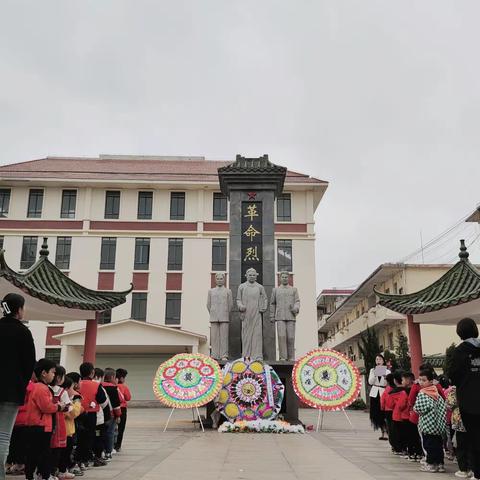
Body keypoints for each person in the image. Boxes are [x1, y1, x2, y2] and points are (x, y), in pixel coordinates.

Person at [0, 293, 35, 480]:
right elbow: (29, 364)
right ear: (19, 310)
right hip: (11, 392)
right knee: (4, 436)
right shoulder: (23, 332)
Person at [449, 318, 480, 480]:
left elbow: (453, 376)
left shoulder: (459, 351)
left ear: (459, 332)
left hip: (469, 402)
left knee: (474, 438)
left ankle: (477, 473)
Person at [25, 358, 66, 480]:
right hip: (40, 426)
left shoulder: (41, 387)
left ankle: (37, 474)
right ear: (44, 373)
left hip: (40, 425)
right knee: (41, 453)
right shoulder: (41, 388)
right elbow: (46, 407)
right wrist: (59, 406)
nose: (54, 375)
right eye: (52, 372)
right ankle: (42, 475)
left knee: (38, 453)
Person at [414, 369, 447, 473]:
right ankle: (440, 464)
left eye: (424, 380)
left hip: (427, 425)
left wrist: (415, 408)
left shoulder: (423, 393)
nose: (421, 382)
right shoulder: (435, 392)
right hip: (438, 425)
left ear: (431, 381)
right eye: (420, 380)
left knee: (429, 446)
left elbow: (419, 408)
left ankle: (431, 464)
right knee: (438, 445)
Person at [77, 362, 107, 469]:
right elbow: (102, 400)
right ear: (92, 372)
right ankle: (85, 460)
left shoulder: (77, 383)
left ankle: (78, 459)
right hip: (91, 414)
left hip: (78, 413)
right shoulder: (96, 384)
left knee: (79, 437)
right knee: (89, 437)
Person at [236, 268, 268, 361]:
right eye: (250, 275)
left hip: (256, 314)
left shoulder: (260, 287)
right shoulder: (242, 287)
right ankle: (246, 354)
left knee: (257, 334)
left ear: (256, 276)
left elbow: (265, 298)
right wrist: (240, 306)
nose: (252, 276)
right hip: (246, 314)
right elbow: (238, 299)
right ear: (246, 275)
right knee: (246, 334)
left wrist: (263, 307)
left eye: (254, 275)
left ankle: (257, 355)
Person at [269, 271, 300, 361]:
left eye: (286, 277)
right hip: (280, 316)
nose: (285, 278)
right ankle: (283, 357)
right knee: (282, 336)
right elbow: (272, 303)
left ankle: (291, 357)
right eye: (283, 277)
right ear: (280, 278)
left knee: (290, 337)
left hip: (291, 316)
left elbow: (297, 301)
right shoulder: (276, 290)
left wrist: (295, 308)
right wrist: (272, 315)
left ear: (289, 278)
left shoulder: (294, 290)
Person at [446, 385, 473, 478]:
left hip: (459, 422)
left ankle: (463, 469)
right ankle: (473, 468)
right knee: (472, 445)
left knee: (461, 446)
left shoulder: (454, 390)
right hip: (473, 421)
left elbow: (449, 404)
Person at [206, 273, 233, 360]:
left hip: (224, 317)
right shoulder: (211, 291)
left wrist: (225, 313)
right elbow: (208, 304)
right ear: (215, 280)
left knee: (224, 338)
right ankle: (214, 355)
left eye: (221, 278)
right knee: (214, 338)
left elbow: (230, 305)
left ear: (224, 280)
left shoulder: (228, 291)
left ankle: (224, 355)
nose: (219, 280)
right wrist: (213, 312)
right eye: (218, 278)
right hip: (214, 317)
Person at [401, 371, 423, 461]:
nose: (402, 382)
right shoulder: (419, 388)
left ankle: (411, 453)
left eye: (402, 380)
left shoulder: (407, 391)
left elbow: (406, 403)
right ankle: (418, 453)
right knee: (416, 435)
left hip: (408, 416)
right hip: (417, 415)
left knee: (409, 436)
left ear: (408, 380)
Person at [368, 354, 390, 440]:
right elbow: (370, 382)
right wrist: (375, 374)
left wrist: (384, 376)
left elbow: (387, 383)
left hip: (383, 392)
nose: (378, 361)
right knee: (376, 414)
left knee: (383, 413)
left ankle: (387, 431)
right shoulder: (372, 370)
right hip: (374, 393)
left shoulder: (387, 371)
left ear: (383, 361)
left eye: (380, 359)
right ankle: (383, 432)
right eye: (376, 359)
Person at [101, 369, 121, 460]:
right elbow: (116, 404)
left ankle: (100, 451)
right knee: (110, 433)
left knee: (101, 433)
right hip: (111, 414)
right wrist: (118, 415)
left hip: (100, 414)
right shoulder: (113, 388)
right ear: (112, 377)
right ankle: (108, 452)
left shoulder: (100, 386)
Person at [114, 369, 131, 453]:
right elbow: (128, 398)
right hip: (122, 409)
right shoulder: (123, 387)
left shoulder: (111, 385)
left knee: (113, 427)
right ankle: (118, 446)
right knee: (121, 428)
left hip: (113, 408)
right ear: (121, 378)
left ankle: (111, 444)